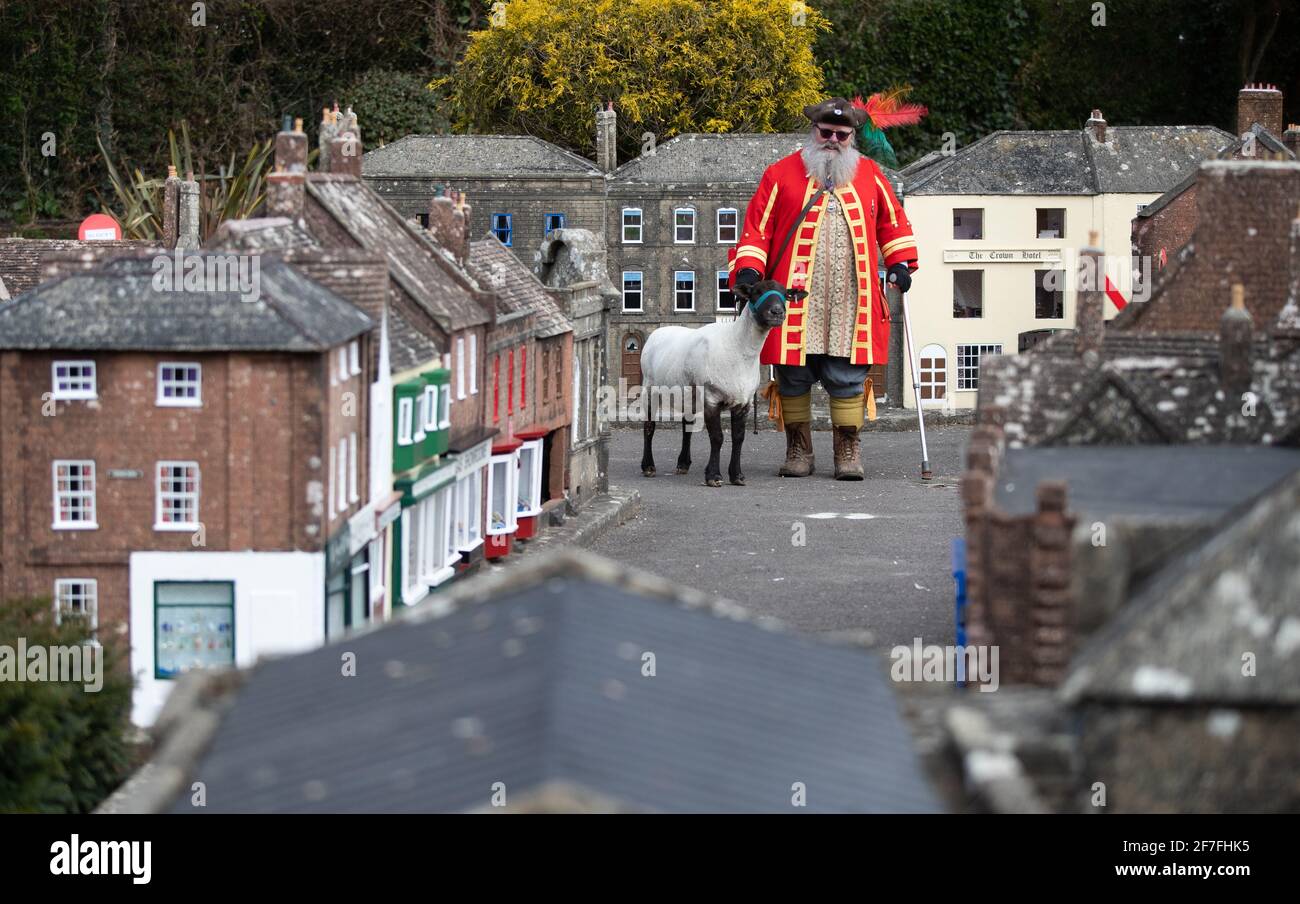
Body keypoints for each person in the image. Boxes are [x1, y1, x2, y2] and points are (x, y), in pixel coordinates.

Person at [728, 97, 919, 479]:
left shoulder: (871, 175)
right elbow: (757, 230)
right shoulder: (779, 174)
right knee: (793, 374)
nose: (832, 139)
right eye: (825, 132)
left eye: (841, 134)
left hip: (851, 297)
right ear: (814, 131)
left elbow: (893, 223)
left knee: (847, 374)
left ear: (852, 136)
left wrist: (898, 262)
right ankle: (798, 449)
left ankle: (847, 450)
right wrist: (748, 271)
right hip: (796, 297)